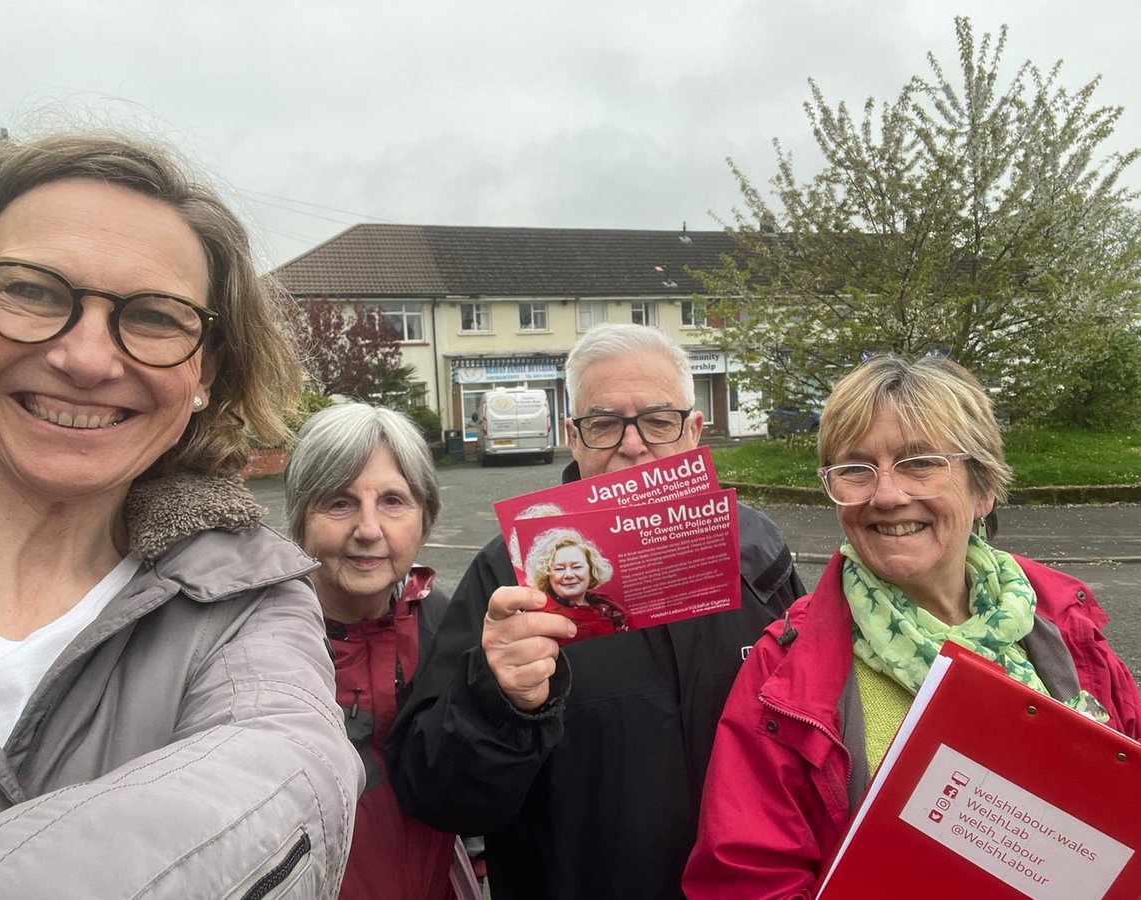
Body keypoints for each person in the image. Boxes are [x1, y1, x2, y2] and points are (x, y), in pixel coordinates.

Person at [0, 132, 363, 897]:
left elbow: (290, 766)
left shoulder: (249, 603)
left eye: (153, 315)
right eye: (32, 290)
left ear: (204, 374)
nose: (86, 358)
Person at [684, 355, 1141, 898]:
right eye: (856, 469)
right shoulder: (785, 668)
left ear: (983, 489)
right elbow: (747, 881)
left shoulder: (1067, 629)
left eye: (919, 462)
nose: (886, 495)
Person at [387, 323, 805, 900]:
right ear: (573, 437)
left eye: (659, 420)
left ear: (694, 431)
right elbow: (436, 793)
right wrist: (499, 702)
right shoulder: (506, 578)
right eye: (605, 423)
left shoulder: (756, 550)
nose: (632, 445)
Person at [284, 403, 480, 900]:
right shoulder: (258, 643)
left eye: (393, 501)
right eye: (339, 502)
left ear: (425, 521)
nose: (368, 529)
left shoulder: (448, 627)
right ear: (300, 521)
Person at [525, 528, 627, 642]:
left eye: (577, 567)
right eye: (559, 569)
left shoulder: (607, 604)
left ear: (592, 570)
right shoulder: (540, 617)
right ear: (547, 575)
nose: (569, 575)